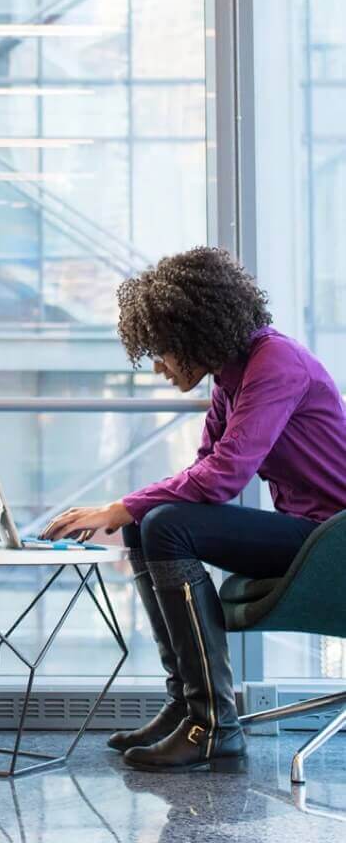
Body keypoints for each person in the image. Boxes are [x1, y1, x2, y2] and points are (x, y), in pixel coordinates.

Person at [44, 247, 346, 773]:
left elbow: (223, 476)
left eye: (161, 351)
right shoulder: (233, 377)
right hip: (313, 535)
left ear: (193, 335)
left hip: (334, 539)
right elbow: (205, 469)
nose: (158, 366)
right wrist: (125, 511)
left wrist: (119, 506)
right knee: (151, 521)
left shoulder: (275, 364)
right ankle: (189, 706)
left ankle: (213, 725)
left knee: (161, 521)